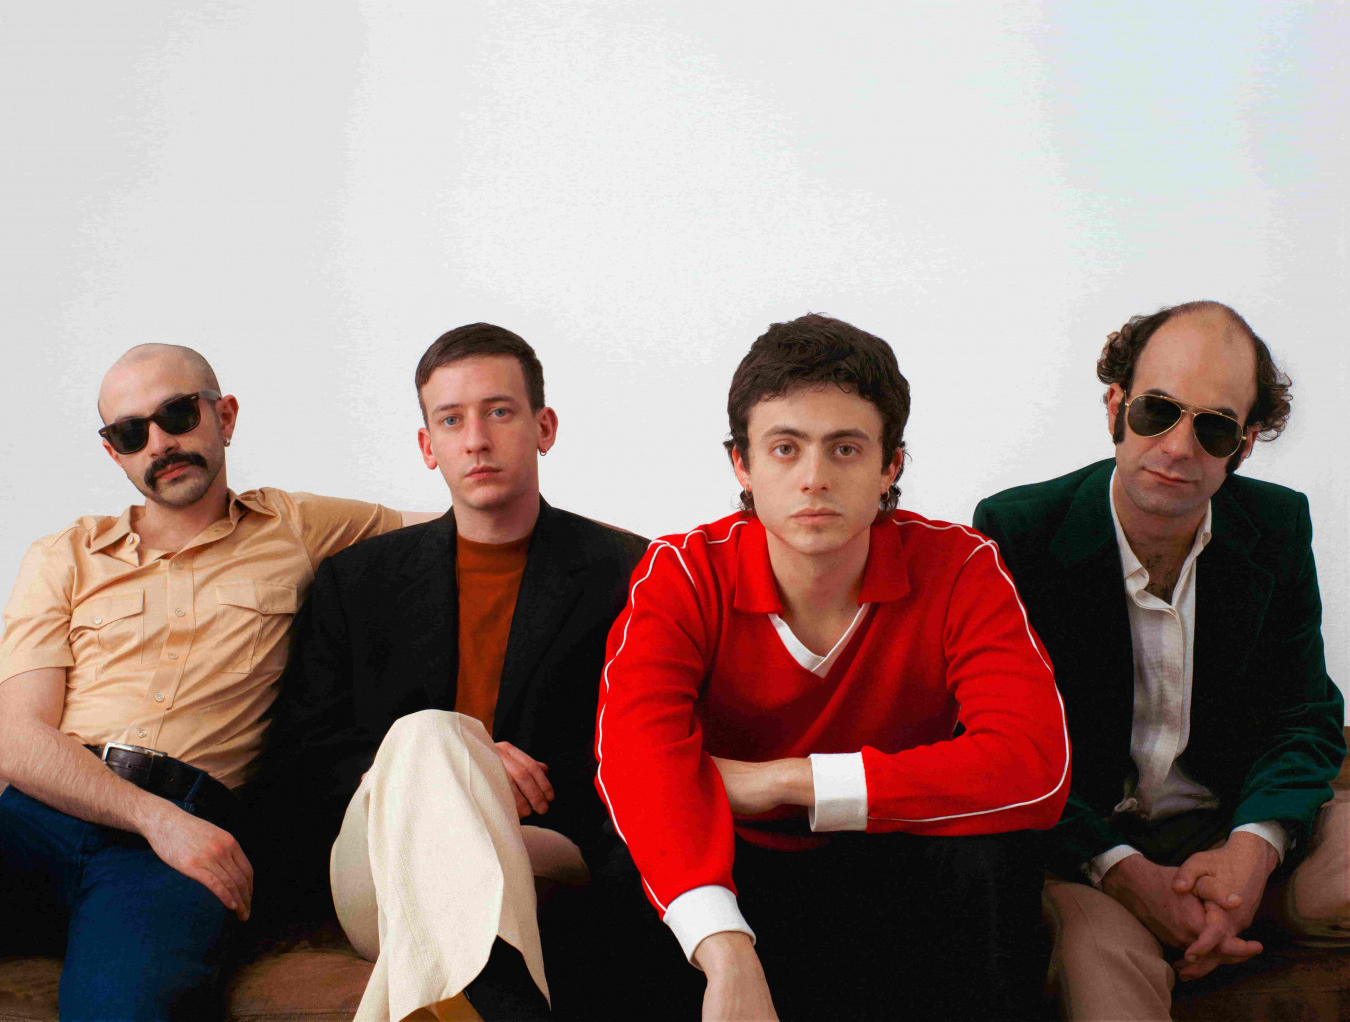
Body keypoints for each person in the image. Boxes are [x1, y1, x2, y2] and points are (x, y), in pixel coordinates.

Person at [593, 314, 1071, 1022]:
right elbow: (635, 763)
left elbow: (1034, 767)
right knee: (628, 850)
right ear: (742, 465)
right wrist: (725, 950)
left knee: (993, 855)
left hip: (893, 860)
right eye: (785, 449)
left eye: (845, 449)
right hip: (734, 864)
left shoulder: (960, 566)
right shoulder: (683, 573)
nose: (814, 479)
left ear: (890, 467)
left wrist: (791, 781)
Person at [0, 343, 411, 1021]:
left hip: (174, 853)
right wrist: (155, 818)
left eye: (177, 414)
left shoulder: (297, 525)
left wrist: (627, 548)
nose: (159, 443)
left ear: (225, 416)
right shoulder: (63, 555)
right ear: (114, 454)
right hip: (44, 815)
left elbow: (473, 527)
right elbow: (17, 737)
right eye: (131, 433)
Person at [254, 323, 648, 1022]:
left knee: (440, 750)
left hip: (545, 850)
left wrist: (475, 784)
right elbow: (303, 764)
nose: (476, 440)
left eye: (499, 411)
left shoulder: (628, 574)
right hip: (377, 867)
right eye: (451, 420)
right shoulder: (356, 582)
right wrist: (454, 763)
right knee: (430, 735)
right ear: (427, 445)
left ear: (544, 427)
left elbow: (642, 751)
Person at [972, 301, 1348, 1021]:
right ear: (1116, 407)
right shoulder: (1017, 531)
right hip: (1090, 849)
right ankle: (1188, 932)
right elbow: (1007, 747)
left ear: (1245, 444)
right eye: (1157, 411)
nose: (1178, 448)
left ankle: (1211, 925)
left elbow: (1305, 716)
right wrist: (1119, 871)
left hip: (1231, 829)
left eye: (1214, 427)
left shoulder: (1275, 525)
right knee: (1101, 966)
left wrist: (1255, 850)